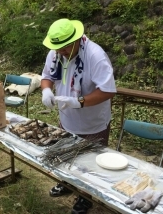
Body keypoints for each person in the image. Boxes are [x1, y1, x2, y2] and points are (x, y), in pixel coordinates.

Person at [41, 18, 116, 214]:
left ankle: (86, 197)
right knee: (65, 155)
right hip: (66, 118)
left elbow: (108, 90)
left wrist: (79, 101)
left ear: (75, 41)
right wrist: (46, 91)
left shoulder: (95, 55)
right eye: (56, 49)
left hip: (93, 122)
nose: (59, 53)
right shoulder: (56, 52)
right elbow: (47, 77)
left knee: (88, 164)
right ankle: (66, 183)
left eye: (64, 49)